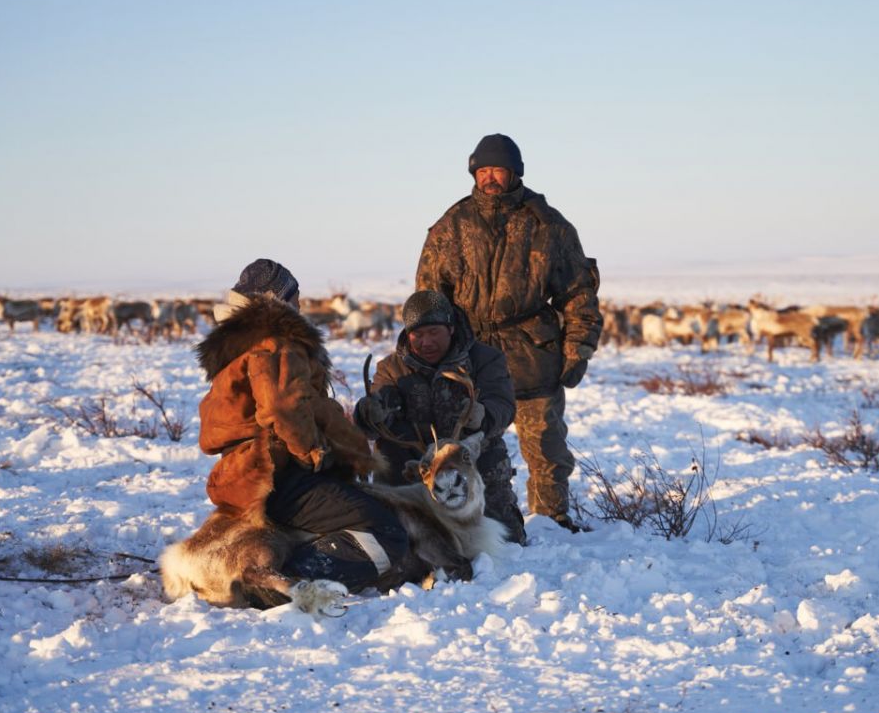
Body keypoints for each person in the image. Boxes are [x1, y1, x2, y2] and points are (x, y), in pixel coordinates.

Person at [416, 134, 602, 531]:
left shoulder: (548, 225)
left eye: (497, 169)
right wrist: (431, 351)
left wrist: (578, 346)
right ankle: (470, 519)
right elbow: (429, 298)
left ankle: (552, 519)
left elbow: (578, 292)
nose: (489, 178)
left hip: (532, 350)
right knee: (466, 444)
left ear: (514, 171)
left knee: (546, 445)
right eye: (481, 170)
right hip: (470, 355)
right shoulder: (452, 225)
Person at [196, 258, 409, 592]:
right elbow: (282, 405)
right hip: (279, 474)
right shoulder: (274, 340)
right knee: (388, 533)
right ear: (278, 298)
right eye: (294, 297)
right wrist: (315, 453)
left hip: (245, 474)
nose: (299, 304)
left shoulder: (241, 342)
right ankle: (281, 584)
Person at [353, 290, 525, 544]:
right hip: (412, 470)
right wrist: (369, 414)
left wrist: (484, 415)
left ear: (451, 328)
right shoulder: (391, 368)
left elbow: (503, 404)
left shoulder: (485, 359)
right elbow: (380, 406)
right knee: (394, 539)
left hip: (471, 463)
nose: (426, 342)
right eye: (418, 335)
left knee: (506, 539)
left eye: (434, 332)